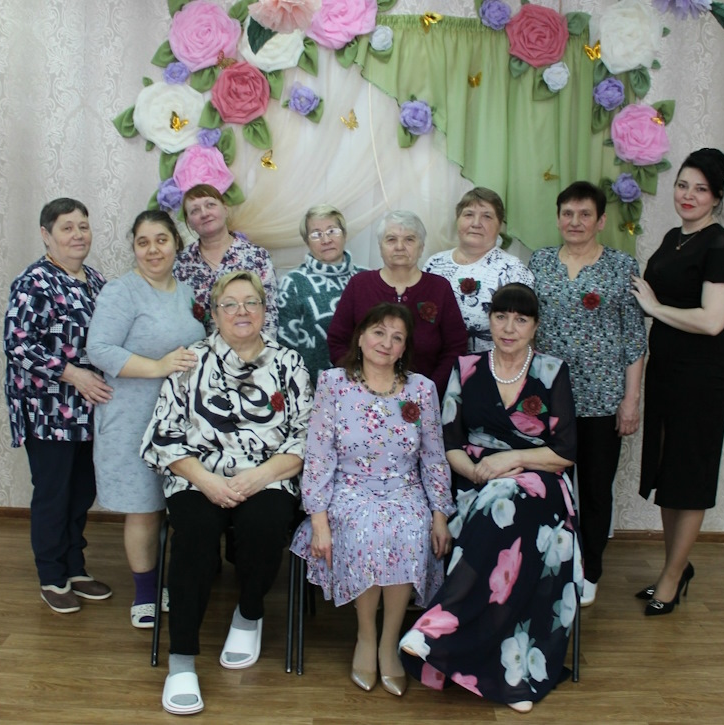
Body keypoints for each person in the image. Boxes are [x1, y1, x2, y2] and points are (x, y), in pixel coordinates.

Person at [399, 283, 581, 715]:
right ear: (490, 321)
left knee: (507, 497)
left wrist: (511, 461)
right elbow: (449, 442)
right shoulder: (466, 368)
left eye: (521, 319)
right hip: (473, 479)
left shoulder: (552, 371)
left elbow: (565, 452)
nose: (509, 327)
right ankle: (465, 644)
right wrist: (478, 472)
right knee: (495, 504)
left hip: (540, 481)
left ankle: (440, 624)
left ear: (535, 326)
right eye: (501, 317)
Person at [141, 271, 313, 716]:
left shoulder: (289, 362)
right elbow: (162, 436)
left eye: (251, 302)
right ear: (214, 314)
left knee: (265, 525)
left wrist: (258, 477)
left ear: (264, 310)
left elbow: (306, 436)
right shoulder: (188, 361)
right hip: (197, 477)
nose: (241, 311)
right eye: (230, 304)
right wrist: (207, 481)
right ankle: (182, 660)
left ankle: (249, 612)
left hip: (268, 475)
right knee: (195, 536)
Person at [291, 303, 454, 697]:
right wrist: (318, 520)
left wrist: (439, 514)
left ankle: (389, 641)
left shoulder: (421, 389)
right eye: (379, 332)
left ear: (405, 349)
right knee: (366, 530)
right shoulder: (333, 383)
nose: (386, 343)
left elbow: (433, 457)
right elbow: (319, 456)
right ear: (361, 337)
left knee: (409, 531)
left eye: (397, 337)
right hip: (348, 489)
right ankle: (366, 636)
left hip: (405, 488)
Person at [631, 148, 724, 616]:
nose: (688, 195)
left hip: (703, 373)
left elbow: (712, 321)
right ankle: (674, 566)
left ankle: (672, 578)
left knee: (691, 474)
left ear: (716, 197)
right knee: (669, 471)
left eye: (700, 189)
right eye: (682, 185)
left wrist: (655, 308)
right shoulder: (673, 237)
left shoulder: (720, 245)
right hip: (666, 368)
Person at [529, 181, 646, 607]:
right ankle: (549, 563)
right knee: (546, 486)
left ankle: (589, 569)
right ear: (558, 218)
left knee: (595, 490)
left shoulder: (621, 265)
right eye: (567, 214)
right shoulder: (540, 262)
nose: (575, 222)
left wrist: (631, 400)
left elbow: (635, 340)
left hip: (603, 399)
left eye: (584, 215)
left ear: (600, 221)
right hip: (547, 399)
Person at [87, 211, 203, 629]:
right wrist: (158, 367)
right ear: (134, 248)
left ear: (176, 244)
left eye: (161, 240)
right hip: (132, 416)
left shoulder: (187, 292)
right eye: (143, 242)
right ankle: (145, 594)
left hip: (182, 420)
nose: (153, 250)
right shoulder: (122, 291)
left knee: (179, 505)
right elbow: (99, 348)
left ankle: (178, 582)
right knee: (144, 508)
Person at [3, 198, 113, 613]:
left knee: (81, 492)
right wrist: (73, 374)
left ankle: (75, 568)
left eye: (83, 226)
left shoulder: (96, 280)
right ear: (46, 235)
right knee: (54, 493)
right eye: (67, 228)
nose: (78, 235)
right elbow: (17, 344)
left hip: (88, 411)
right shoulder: (34, 282)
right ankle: (51, 575)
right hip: (48, 410)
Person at [327, 210, 466, 399]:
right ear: (380, 246)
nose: (400, 247)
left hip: (426, 398)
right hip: (361, 398)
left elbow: (456, 347)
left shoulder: (439, 288)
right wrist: (362, 385)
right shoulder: (359, 285)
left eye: (409, 239)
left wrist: (429, 390)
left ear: (421, 247)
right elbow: (337, 341)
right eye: (391, 239)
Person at [423, 187, 534, 353]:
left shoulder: (514, 270)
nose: (476, 223)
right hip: (438, 363)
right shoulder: (435, 264)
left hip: (492, 365)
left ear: (500, 225)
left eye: (487, 216)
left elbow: (523, 331)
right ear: (457, 219)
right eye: (468, 214)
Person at [277, 204, 366, 384]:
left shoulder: (366, 278)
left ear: (344, 234)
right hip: (313, 387)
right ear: (307, 241)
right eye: (316, 234)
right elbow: (284, 347)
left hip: (366, 385)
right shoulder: (294, 283)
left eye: (332, 231)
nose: (326, 240)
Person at [174, 183, 278, 336]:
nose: (204, 213)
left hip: (250, 346)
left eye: (210, 205)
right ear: (189, 222)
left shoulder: (257, 257)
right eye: (195, 210)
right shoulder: (181, 264)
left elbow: (269, 313)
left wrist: (260, 350)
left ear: (225, 209)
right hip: (197, 348)